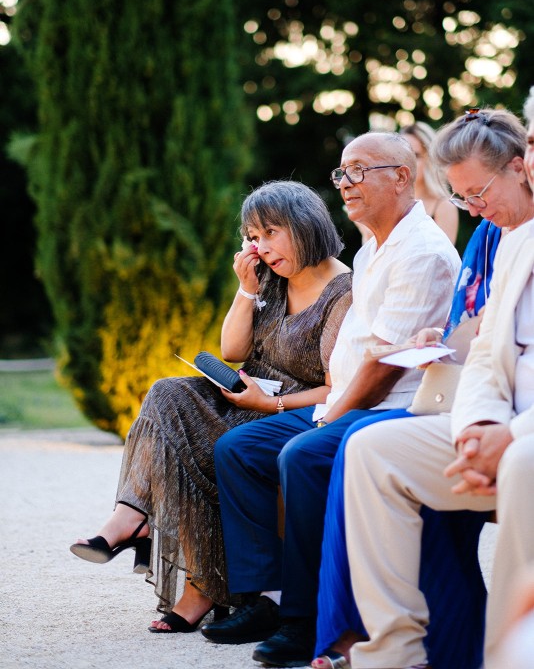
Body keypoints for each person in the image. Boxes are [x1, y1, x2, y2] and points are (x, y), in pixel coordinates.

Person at [202, 132, 460, 666]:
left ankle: (303, 619)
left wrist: (329, 418)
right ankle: (266, 596)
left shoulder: (422, 252)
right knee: (239, 450)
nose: (345, 183)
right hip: (339, 402)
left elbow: (388, 366)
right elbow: (239, 349)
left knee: (303, 455)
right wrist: (324, 409)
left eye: (360, 170)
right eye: (342, 172)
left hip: (392, 409)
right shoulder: (373, 249)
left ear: (401, 176)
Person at [70, 180, 353, 633]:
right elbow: (233, 349)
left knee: (209, 447)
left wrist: (271, 401)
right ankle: (131, 518)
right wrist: (246, 290)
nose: (261, 247)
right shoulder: (274, 279)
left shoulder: (344, 293)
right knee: (167, 392)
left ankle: (202, 588)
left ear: (304, 225)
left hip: (296, 408)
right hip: (250, 394)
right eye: (254, 237)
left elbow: (340, 389)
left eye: (270, 233)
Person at [313, 105, 534, 669]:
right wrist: (481, 424)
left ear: (517, 165)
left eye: (478, 191)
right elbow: (483, 352)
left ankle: (507, 655)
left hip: (525, 437)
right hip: (488, 418)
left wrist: (510, 434)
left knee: (521, 463)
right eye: (461, 198)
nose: (473, 208)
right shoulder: (512, 238)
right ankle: (392, 653)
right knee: (369, 449)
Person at [400, 121, 459, 243]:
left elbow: (444, 260)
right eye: (401, 155)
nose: (406, 163)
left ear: (430, 159)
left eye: (415, 155)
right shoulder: (393, 203)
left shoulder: (444, 207)